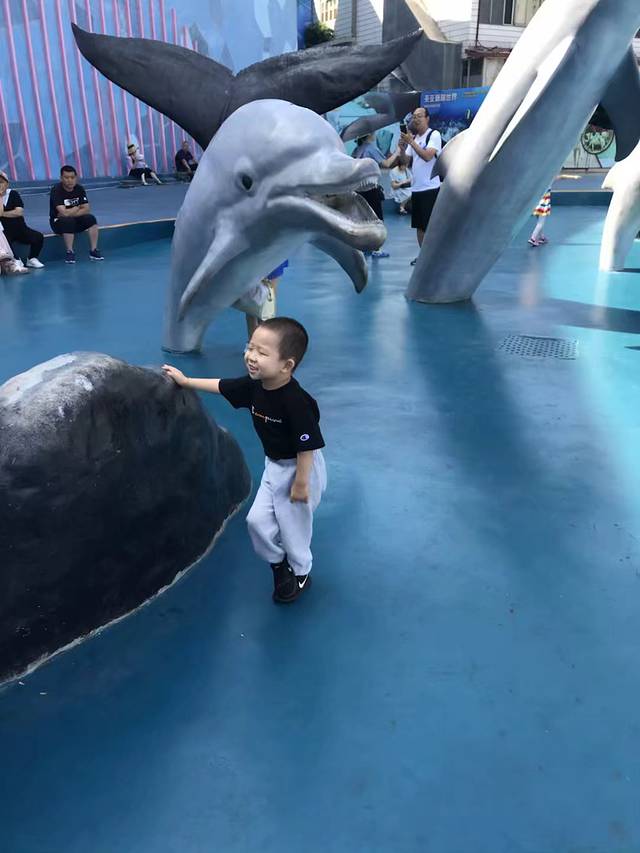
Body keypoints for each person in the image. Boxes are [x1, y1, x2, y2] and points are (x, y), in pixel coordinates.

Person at [163, 317, 326, 604]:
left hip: (300, 469)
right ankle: (278, 563)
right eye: (250, 347)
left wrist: (301, 483)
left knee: (294, 528)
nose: (251, 356)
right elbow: (222, 385)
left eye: (262, 353)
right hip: (274, 466)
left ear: (286, 365)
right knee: (256, 522)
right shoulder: (255, 386)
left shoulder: (296, 402)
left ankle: (300, 572)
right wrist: (186, 381)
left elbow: (307, 447)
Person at [389, 107, 442, 265]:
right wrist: (403, 149)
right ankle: (424, 257)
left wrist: (411, 142)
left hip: (430, 188)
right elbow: (406, 161)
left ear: (427, 118)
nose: (416, 119)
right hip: (417, 189)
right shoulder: (415, 138)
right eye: (414, 117)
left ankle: (433, 257)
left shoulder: (434, 135)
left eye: (419, 116)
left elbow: (427, 156)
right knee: (419, 226)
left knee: (430, 226)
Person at [352, 133, 398, 258]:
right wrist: (398, 152)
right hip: (370, 188)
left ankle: (365, 247)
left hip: (358, 189)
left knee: (363, 219)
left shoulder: (357, 150)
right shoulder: (371, 148)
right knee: (377, 219)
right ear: (369, 135)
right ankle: (376, 249)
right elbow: (386, 164)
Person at [49, 165, 104, 264]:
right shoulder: (56, 190)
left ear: (76, 177)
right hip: (57, 223)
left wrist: (69, 213)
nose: (70, 180)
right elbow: (64, 213)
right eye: (66, 177)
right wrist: (76, 208)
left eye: (72, 177)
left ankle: (94, 250)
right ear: (61, 178)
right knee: (68, 221)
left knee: (91, 219)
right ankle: (70, 252)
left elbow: (86, 209)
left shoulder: (79, 189)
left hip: (75, 220)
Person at [0, 170, 44, 268]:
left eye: (1, 182)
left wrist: (3, 214)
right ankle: (16, 260)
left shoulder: (13, 194)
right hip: (4, 232)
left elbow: (19, 212)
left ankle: (32, 259)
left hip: (20, 228)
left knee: (38, 237)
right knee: (5, 243)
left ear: (7, 184)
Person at [528, 174, 581, 246]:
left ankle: (542, 237)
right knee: (540, 223)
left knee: (539, 222)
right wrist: (573, 177)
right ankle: (533, 238)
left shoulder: (537, 180)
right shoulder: (548, 179)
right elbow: (562, 177)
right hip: (543, 205)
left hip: (536, 204)